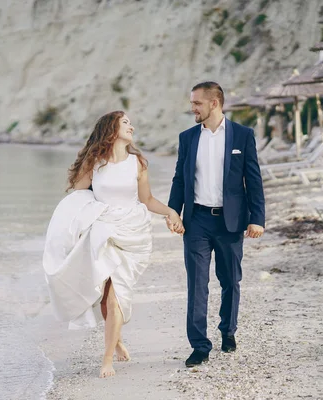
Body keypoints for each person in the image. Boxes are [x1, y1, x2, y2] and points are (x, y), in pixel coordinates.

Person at [43, 111, 184, 378]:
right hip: (104, 230)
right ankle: (114, 342)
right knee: (106, 294)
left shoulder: (138, 163)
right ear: (112, 129)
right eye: (126, 122)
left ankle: (107, 358)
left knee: (116, 294)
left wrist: (171, 212)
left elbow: (147, 199)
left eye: (131, 122)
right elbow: (78, 195)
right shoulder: (95, 163)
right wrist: (69, 230)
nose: (132, 126)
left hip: (133, 233)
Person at [167, 81, 265, 367]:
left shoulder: (242, 136)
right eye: (192, 102)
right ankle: (199, 345)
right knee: (197, 285)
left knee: (230, 281)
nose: (192, 108)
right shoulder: (187, 138)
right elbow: (179, 179)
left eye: (197, 103)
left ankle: (228, 331)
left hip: (231, 222)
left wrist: (257, 218)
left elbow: (253, 179)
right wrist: (174, 212)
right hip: (196, 221)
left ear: (214, 103)